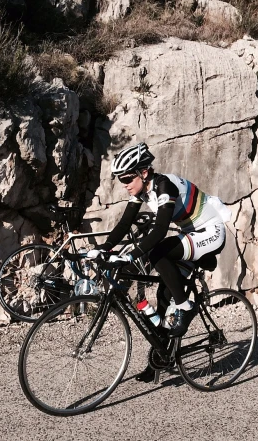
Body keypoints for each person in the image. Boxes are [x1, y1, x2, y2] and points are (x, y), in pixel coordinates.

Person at [88, 142, 228, 368]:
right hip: (190, 233)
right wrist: (104, 248)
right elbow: (125, 223)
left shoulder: (165, 187)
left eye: (127, 179)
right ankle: (160, 361)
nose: (124, 185)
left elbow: (160, 230)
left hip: (210, 232)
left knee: (157, 251)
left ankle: (185, 307)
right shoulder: (142, 190)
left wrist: (131, 255)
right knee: (164, 293)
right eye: (120, 180)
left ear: (144, 173)